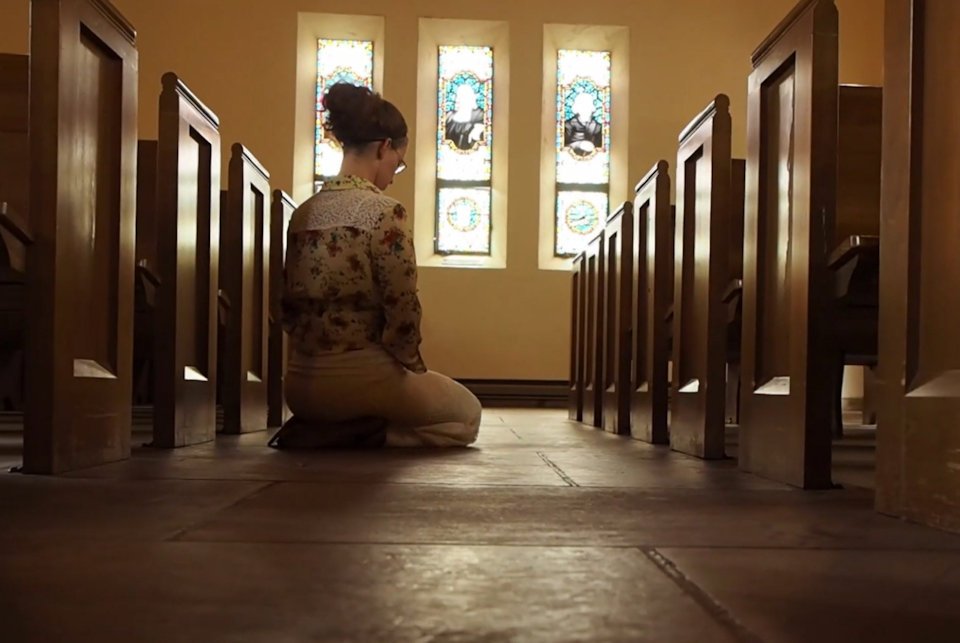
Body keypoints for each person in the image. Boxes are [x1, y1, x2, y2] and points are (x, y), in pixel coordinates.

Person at [274, 82, 482, 448]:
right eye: (397, 165)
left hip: (299, 386)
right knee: (466, 415)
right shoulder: (386, 213)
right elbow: (403, 311)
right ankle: (370, 434)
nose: (391, 176)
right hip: (361, 378)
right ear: (384, 147)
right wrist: (408, 372)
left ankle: (323, 428)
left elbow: (286, 311)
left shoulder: (302, 213)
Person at [444, 83, 485, 151]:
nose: (457, 100)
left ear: (470, 98)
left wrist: (480, 131)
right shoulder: (448, 117)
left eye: (462, 96)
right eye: (457, 96)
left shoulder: (480, 116)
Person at [563, 91, 603, 157]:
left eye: (588, 105)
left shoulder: (597, 127)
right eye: (583, 106)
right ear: (577, 108)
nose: (586, 109)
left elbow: (600, 147)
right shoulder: (569, 125)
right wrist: (579, 145)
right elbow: (563, 145)